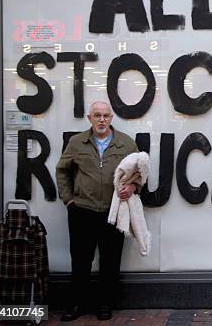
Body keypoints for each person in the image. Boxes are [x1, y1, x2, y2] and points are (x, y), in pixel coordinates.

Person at [56, 101, 139, 322]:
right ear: (89, 118)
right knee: (81, 260)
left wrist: (132, 187)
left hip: (113, 212)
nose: (102, 119)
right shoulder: (76, 142)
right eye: (97, 115)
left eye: (105, 116)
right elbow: (62, 171)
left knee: (110, 261)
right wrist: (68, 200)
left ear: (111, 118)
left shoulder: (126, 144)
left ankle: (105, 304)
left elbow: (139, 173)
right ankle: (76, 304)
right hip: (82, 210)